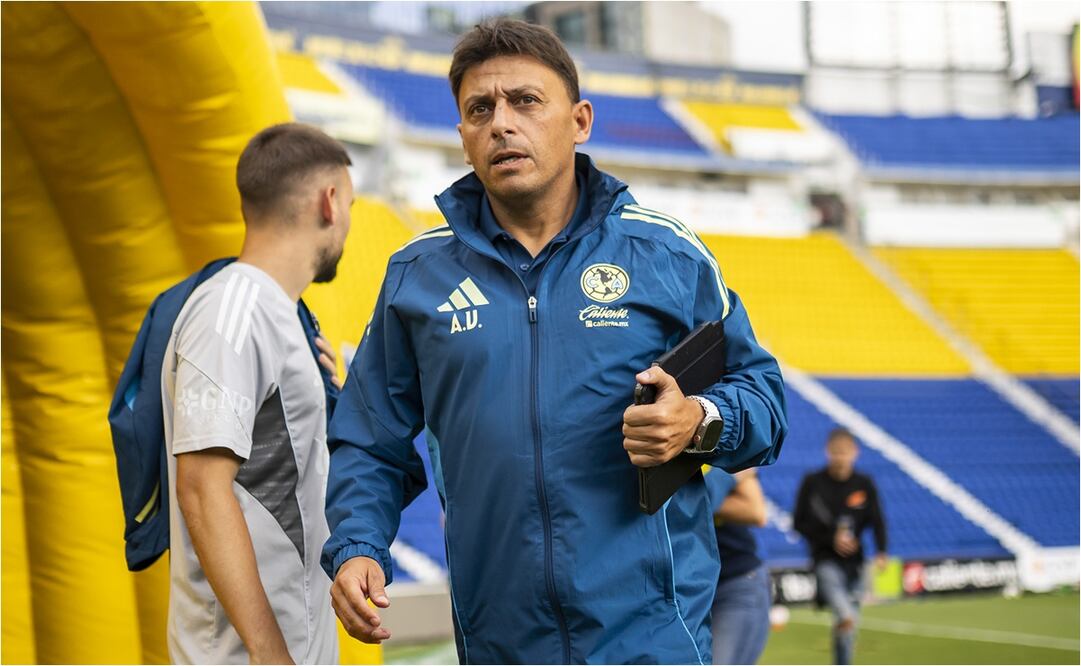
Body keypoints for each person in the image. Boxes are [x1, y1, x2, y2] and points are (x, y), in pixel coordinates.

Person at [323, 18, 787, 664]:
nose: (501, 124)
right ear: (462, 137)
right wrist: (356, 546)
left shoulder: (667, 256)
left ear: (579, 120)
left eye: (525, 101)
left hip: (650, 643)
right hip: (501, 645)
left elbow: (763, 397)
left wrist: (698, 421)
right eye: (478, 109)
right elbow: (369, 439)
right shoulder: (416, 278)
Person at [161, 123, 353, 664]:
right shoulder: (233, 310)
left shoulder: (278, 316)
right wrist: (273, 655)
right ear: (329, 201)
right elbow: (201, 488)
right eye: (351, 206)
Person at [792, 427, 888, 665]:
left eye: (845, 452)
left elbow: (877, 520)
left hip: (855, 563)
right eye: (836, 452)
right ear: (828, 452)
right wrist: (829, 539)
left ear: (855, 453)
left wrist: (881, 551)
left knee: (847, 629)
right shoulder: (813, 482)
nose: (840, 457)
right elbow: (798, 522)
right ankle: (843, 618)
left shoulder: (864, 484)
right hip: (825, 560)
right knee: (846, 616)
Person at [703, 469, 771, 665]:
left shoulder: (718, 449)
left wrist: (684, 498)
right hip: (689, 589)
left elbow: (756, 511)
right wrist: (718, 486)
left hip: (733, 581)